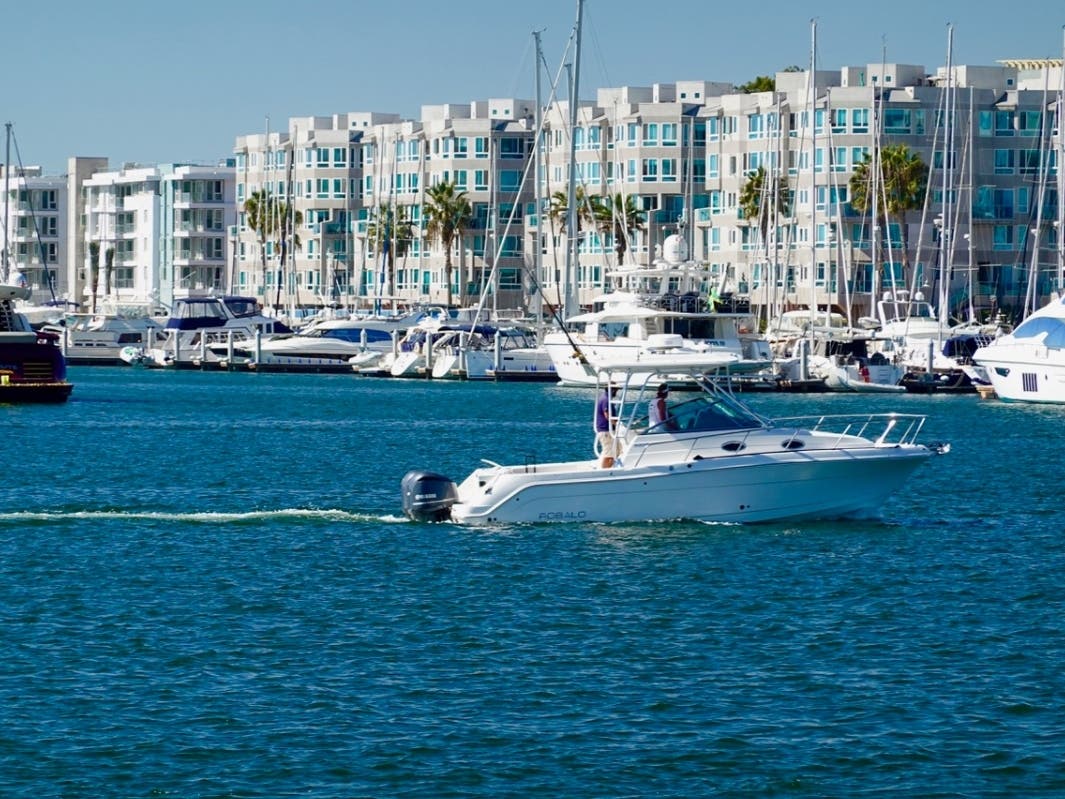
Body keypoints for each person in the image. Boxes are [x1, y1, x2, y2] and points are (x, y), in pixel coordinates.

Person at [595, 385, 618, 468]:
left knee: (609, 451)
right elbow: (607, 415)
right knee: (609, 453)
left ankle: (605, 467)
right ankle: (605, 471)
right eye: (616, 390)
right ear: (613, 390)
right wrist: (616, 424)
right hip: (606, 430)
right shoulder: (606, 400)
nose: (617, 392)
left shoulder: (603, 398)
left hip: (604, 429)